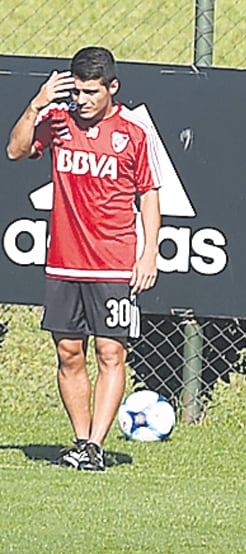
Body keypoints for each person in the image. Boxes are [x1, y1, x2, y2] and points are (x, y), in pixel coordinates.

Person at [6, 46, 161, 471]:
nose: (83, 99)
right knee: (69, 353)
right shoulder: (57, 121)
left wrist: (148, 253)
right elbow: (16, 151)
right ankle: (81, 441)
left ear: (112, 87)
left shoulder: (132, 133)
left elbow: (148, 193)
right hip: (64, 262)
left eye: (92, 91)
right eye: (77, 91)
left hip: (113, 262)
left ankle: (96, 444)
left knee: (111, 353)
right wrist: (37, 104)